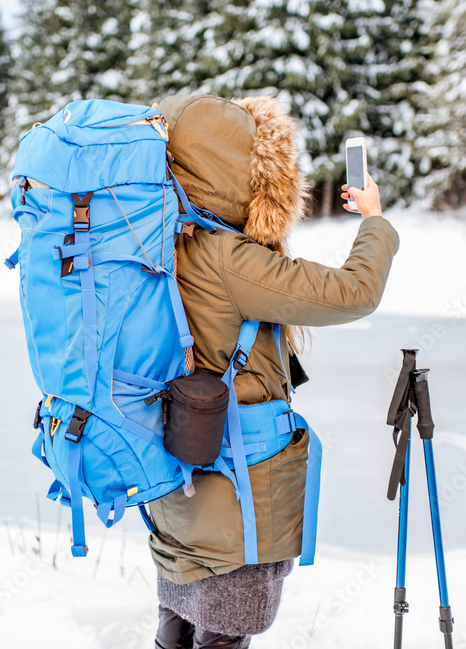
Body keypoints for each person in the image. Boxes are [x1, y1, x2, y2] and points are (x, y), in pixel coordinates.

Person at [148, 94, 400, 649]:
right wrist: (376, 222)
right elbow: (353, 293)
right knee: (223, 632)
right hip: (238, 495)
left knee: (177, 625)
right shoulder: (223, 254)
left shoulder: (158, 245)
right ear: (238, 173)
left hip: (175, 488)